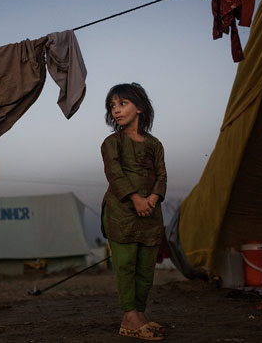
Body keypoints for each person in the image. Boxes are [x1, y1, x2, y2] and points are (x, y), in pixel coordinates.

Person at [101, 83, 167, 341]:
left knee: (145, 268)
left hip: (150, 213)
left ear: (139, 107)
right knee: (126, 266)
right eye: (112, 106)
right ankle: (129, 315)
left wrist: (151, 198)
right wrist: (135, 199)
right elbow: (114, 174)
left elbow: (161, 175)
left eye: (122, 104)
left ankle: (139, 315)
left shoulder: (155, 144)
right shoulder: (111, 143)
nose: (116, 110)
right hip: (121, 214)